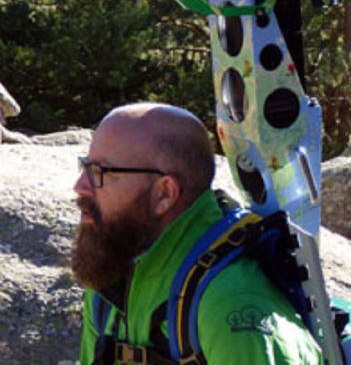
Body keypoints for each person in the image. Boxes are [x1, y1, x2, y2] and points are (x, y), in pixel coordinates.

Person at [73, 102, 321, 364]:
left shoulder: (230, 302)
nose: (80, 186)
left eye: (100, 172)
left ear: (164, 194)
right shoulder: (113, 273)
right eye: (85, 167)